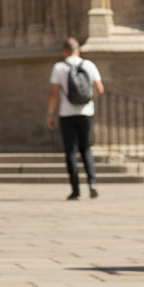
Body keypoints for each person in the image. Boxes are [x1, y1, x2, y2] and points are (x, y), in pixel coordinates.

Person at [47, 37, 105, 200]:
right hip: (86, 112)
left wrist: (50, 113)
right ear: (77, 50)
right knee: (86, 148)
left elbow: (53, 93)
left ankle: (75, 190)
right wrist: (87, 98)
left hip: (67, 113)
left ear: (65, 51)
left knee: (71, 150)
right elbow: (100, 89)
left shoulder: (59, 67)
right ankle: (92, 183)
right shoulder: (89, 65)